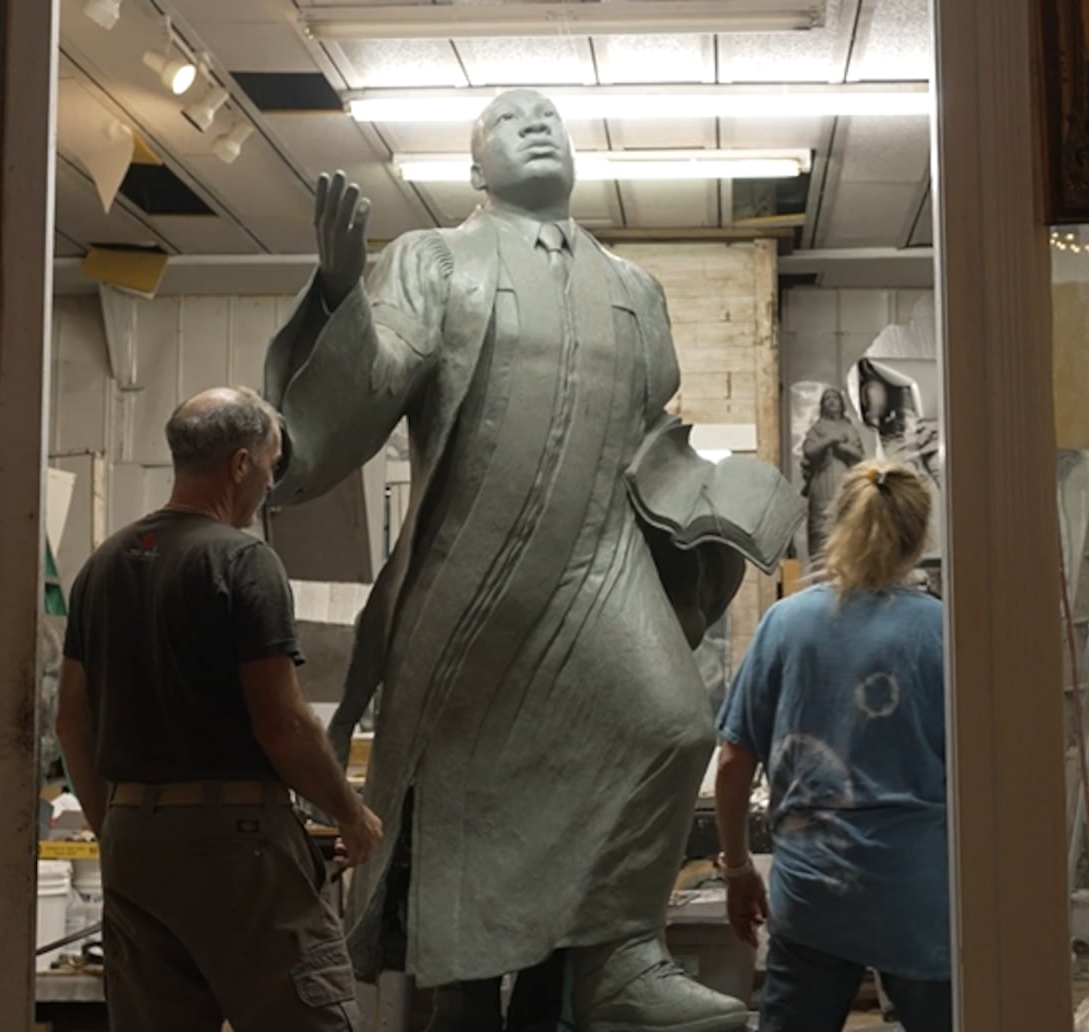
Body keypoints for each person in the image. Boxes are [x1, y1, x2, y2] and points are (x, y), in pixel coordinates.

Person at [263, 89, 801, 1031]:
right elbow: (367, 387)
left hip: (599, 557)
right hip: (475, 575)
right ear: (476, 170)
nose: (538, 124)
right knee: (464, 811)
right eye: (510, 121)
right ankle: (481, 991)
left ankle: (616, 953)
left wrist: (724, 495)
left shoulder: (634, 289)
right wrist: (342, 295)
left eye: (550, 117)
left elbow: (648, 439)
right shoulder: (435, 260)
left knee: (674, 725)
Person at [55, 386, 384, 1032]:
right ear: (239, 464)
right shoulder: (242, 561)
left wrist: (118, 826)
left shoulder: (102, 565)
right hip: (237, 852)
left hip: (133, 845)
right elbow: (283, 725)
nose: (268, 483)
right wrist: (351, 814)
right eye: (269, 463)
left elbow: (72, 721)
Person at [714, 462, 951, 1032]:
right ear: (918, 539)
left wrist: (739, 869)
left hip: (815, 890)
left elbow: (732, 763)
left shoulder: (784, 623)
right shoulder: (944, 630)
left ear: (834, 526)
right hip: (917, 892)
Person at [799, 387, 864, 561]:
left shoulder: (849, 428)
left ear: (842, 404)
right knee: (821, 526)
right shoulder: (818, 428)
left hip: (844, 479)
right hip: (822, 480)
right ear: (822, 405)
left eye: (835, 398)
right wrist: (830, 440)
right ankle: (820, 569)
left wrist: (840, 447)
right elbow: (809, 451)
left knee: (846, 522)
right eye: (827, 399)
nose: (832, 402)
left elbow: (859, 455)